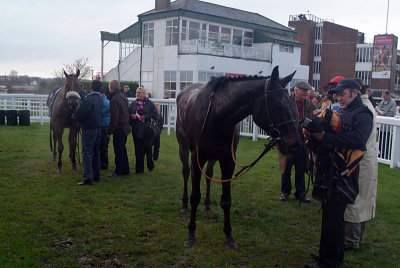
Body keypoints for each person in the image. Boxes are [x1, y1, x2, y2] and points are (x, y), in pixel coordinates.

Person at [304, 79, 373, 268]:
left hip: (343, 175)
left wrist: (326, 138)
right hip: (331, 172)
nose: (338, 98)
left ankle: (329, 262)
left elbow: (359, 139)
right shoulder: (341, 112)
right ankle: (330, 256)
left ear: (355, 94)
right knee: (330, 218)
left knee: (333, 219)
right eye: (338, 94)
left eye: (343, 94)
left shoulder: (363, 113)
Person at [343, 80, 378, 251]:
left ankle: (351, 241)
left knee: (354, 199)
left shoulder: (363, 109)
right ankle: (358, 238)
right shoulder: (367, 105)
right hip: (367, 158)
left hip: (361, 159)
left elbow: (358, 138)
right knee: (362, 198)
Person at [279, 80, 314, 202]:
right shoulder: (286, 102)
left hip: (302, 141)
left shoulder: (310, 105)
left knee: (301, 167)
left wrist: (309, 130)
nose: (306, 93)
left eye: (307, 91)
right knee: (286, 168)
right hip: (288, 141)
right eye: (304, 91)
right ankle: (285, 191)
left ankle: (300, 192)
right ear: (296, 90)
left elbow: (313, 121)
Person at [74, 80, 102, 186]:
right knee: (96, 152)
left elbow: (79, 115)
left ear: (91, 87)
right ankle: (96, 175)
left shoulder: (88, 99)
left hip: (89, 129)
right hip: (97, 128)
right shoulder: (99, 99)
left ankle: (88, 178)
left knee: (87, 153)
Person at [128, 86, 158, 174]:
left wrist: (145, 117)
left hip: (147, 130)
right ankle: (139, 170)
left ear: (144, 94)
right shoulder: (133, 104)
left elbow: (155, 115)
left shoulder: (150, 104)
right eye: (137, 92)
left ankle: (150, 165)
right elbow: (129, 114)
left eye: (139, 92)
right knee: (138, 150)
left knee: (148, 149)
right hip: (136, 130)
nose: (137, 94)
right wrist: (132, 116)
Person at [106, 80, 130, 177]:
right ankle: (125, 169)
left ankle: (119, 170)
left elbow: (114, 118)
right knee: (122, 149)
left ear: (110, 88)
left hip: (119, 128)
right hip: (125, 127)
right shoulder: (123, 97)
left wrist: (109, 131)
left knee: (118, 150)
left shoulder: (114, 100)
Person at [376, 89, 397, 159]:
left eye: (384, 96)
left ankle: (387, 154)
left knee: (387, 140)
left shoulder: (393, 103)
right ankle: (381, 153)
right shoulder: (382, 102)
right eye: (383, 96)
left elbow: (392, 113)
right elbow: (379, 108)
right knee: (381, 139)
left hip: (388, 126)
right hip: (381, 126)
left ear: (388, 95)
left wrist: (383, 113)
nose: (383, 98)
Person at [99, 88, 110, 170]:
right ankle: (103, 163)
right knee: (103, 146)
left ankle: (104, 165)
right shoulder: (106, 101)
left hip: (103, 126)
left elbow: (99, 113)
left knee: (103, 146)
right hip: (105, 125)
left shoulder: (104, 102)